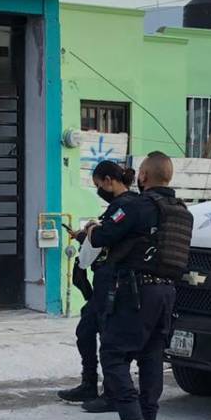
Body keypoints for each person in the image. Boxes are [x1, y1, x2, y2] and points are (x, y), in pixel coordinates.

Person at [85, 151, 192, 420]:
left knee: (113, 354)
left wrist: (92, 230)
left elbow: (102, 236)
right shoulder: (183, 211)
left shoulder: (139, 206)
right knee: (151, 356)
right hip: (168, 293)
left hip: (137, 292)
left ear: (143, 177)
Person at [57, 161, 136, 405]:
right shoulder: (115, 208)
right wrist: (85, 235)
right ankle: (89, 383)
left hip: (115, 281)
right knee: (86, 331)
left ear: (108, 180)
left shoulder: (126, 206)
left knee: (109, 340)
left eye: (98, 184)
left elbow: (105, 238)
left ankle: (114, 393)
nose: (99, 189)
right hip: (103, 281)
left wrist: (91, 231)